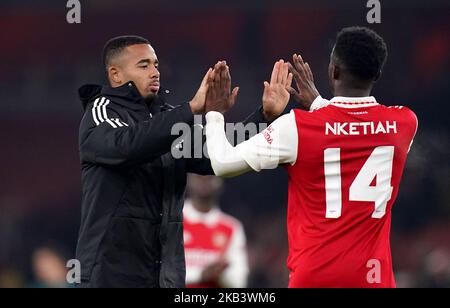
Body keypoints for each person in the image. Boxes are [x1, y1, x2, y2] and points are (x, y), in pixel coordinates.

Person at [205, 27, 418, 287]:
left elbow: (222, 163)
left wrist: (214, 113)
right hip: (374, 280)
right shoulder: (403, 122)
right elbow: (356, 128)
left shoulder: (297, 127)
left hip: (314, 278)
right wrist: (319, 104)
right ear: (377, 74)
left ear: (334, 71)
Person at [75, 35, 286, 287]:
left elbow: (218, 153)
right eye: (143, 65)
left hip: (164, 277)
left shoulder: (167, 119)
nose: (154, 72)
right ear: (116, 74)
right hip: (111, 276)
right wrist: (191, 109)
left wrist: (264, 117)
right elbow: (127, 145)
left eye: (155, 64)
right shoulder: (101, 111)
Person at [183, 174, 249, 288]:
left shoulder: (231, 227)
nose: (204, 179)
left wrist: (220, 275)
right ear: (188, 179)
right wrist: (201, 275)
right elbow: (161, 271)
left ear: (221, 181)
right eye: (198, 175)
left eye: (210, 175)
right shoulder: (173, 223)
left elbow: (239, 282)